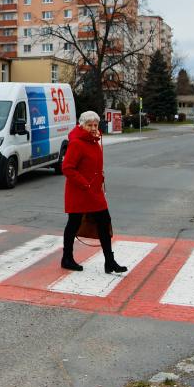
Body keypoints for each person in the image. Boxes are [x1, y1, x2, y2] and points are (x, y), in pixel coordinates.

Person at [60, 111, 127, 274]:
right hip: (79, 191)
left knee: (104, 223)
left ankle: (109, 262)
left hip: (94, 192)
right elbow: (67, 168)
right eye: (89, 125)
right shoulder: (76, 143)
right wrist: (85, 184)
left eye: (95, 125)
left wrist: (99, 180)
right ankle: (67, 258)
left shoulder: (94, 141)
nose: (93, 128)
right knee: (73, 224)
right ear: (81, 125)